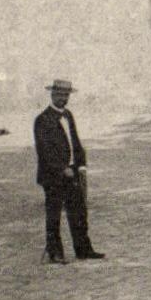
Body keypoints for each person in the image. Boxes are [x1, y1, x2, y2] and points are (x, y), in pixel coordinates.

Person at [33, 79, 105, 264]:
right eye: (59, 95)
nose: (62, 98)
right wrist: (62, 169)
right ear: (52, 95)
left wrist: (80, 165)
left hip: (72, 173)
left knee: (79, 212)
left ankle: (83, 250)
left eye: (66, 95)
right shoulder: (41, 120)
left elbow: (75, 142)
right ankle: (55, 253)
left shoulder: (68, 115)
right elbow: (44, 151)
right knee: (54, 215)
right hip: (52, 176)